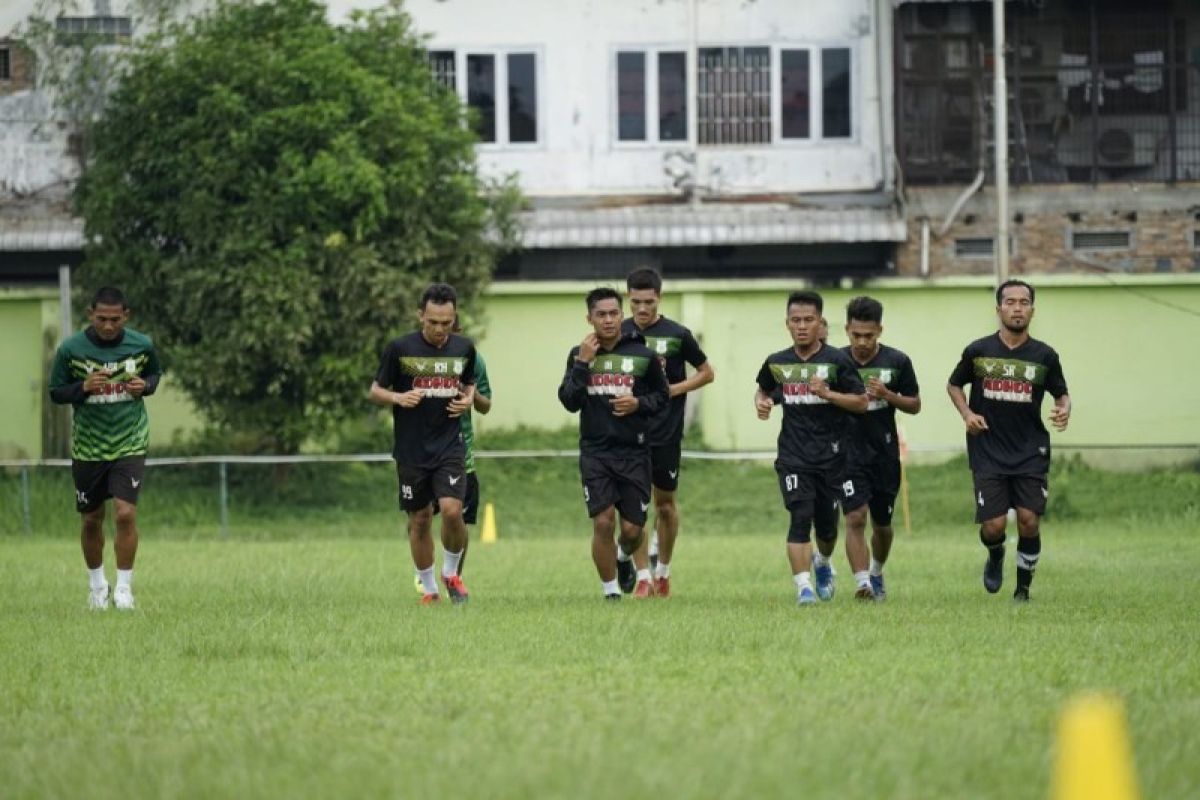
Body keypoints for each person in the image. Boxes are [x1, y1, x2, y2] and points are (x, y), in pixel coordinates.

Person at [947, 280, 1070, 602]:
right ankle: (996, 554)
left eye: (1024, 302)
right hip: (987, 448)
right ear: (998, 308)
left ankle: (1022, 591)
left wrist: (1064, 409)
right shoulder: (978, 351)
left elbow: (1062, 394)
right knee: (994, 526)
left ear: (1032, 309)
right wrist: (967, 414)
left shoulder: (1045, 355)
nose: (1017, 307)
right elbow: (954, 385)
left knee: (1029, 521)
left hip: (1030, 449)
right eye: (1011, 302)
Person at [48, 287, 163, 611]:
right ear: (91, 315)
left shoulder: (142, 344)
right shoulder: (71, 349)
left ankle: (124, 590)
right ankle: (98, 587)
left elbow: (154, 374)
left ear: (126, 316)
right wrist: (82, 387)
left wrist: (147, 386)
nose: (108, 326)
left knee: (125, 514)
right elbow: (56, 392)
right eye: (102, 319)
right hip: (89, 448)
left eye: (115, 319)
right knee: (91, 519)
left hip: (130, 441)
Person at [755, 291, 867, 606]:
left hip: (832, 458)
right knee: (800, 516)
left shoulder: (837, 361)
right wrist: (762, 404)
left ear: (820, 323)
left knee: (828, 530)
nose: (802, 326)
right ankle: (803, 588)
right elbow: (763, 389)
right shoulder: (777, 361)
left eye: (808, 320)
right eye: (796, 320)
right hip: (793, 456)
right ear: (787, 323)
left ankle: (823, 562)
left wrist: (829, 394)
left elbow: (860, 402)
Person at [558, 287, 669, 600]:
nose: (608, 320)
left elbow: (662, 398)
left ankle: (623, 558)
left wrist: (637, 404)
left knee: (632, 531)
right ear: (590, 318)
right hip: (596, 453)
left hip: (635, 453)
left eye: (613, 313)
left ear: (623, 315)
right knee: (604, 522)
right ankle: (610, 593)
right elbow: (569, 401)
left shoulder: (643, 355)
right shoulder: (579, 354)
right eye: (600, 314)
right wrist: (582, 364)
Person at [370, 283, 477, 605]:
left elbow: (470, 383)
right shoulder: (400, 348)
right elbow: (375, 390)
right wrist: (398, 397)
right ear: (421, 316)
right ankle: (430, 590)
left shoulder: (464, 348)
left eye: (447, 322)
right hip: (412, 450)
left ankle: (450, 572)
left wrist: (468, 399)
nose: (440, 329)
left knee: (452, 510)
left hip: (449, 446)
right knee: (419, 520)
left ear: (454, 317)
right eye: (433, 322)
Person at [622, 268, 715, 597]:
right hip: (628, 434)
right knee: (635, 507)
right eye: (636, 302)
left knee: (664, 505)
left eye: (648, 302)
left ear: (658, 298)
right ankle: (642, 576)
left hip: (666, 432)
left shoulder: (677, 334)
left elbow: (706, 373)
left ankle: (663, 571)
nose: (642, 308)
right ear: (628, 299)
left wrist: (674, 389)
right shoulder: (618, 334)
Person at [840, 296, 921, 600]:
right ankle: (862, 583)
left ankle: (876, 572)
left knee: (882, 525)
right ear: (847, 329)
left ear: (879, 331)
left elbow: (914, 404)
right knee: (855, 516)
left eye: (868, 335)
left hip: (884, 453)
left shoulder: (897, 361)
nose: (862, 341)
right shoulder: (835, 361)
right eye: (856, 334)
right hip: (847, 452)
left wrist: (889, 394)